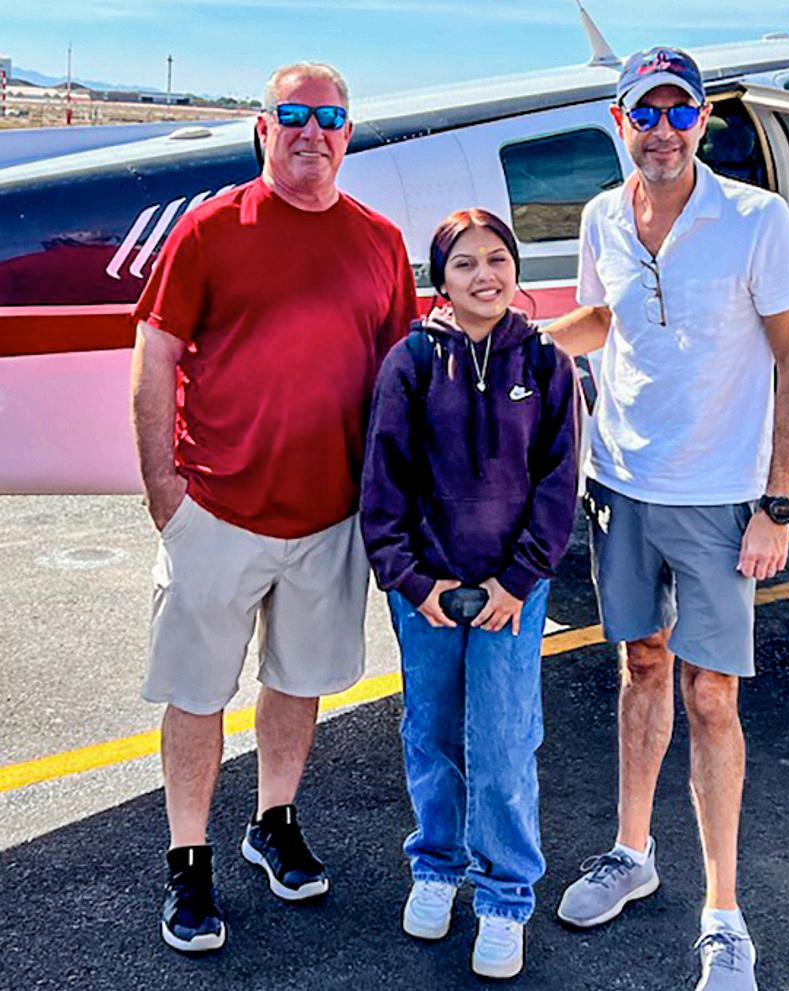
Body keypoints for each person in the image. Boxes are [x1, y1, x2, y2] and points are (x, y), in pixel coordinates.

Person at [546, 46, 789, 991]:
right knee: (642, 665)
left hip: (721, 496)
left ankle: (724, 914)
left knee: (712, 696)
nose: (661, 130)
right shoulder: (600, 216)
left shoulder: (755, 218)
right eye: (644, 113)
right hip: (622, 483)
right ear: (620, 122)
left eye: (678, 112)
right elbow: (600, 321)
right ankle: (632, 852)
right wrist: (513, 339)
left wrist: (776, 504)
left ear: (702, 120)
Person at [129, 62, 417, 953]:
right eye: (292, 114)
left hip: (329, 519)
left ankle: (273, 821)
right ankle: (188, 859)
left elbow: (400, 378)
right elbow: (154, 356)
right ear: (263, 129)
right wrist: (165, 491)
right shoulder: (211, 228)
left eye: (329, 117)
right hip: (215, 512)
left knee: (297, 682)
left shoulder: (379, 242)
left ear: (348, 134)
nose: (311, 131)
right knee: (196, 693)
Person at [360, 208, 579, 980]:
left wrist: (517, 580)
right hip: (427, 591)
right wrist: (411, 580)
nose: (484, 275)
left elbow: (559, 482)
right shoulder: (412, 361)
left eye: (497, 259)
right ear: (440, 280)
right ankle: (436, 864)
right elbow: (382, 482)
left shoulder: (546, 361)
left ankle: (505, 894)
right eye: (464, 263)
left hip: (511, 594)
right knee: (432, 732)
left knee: (504, 741)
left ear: (515, 268)